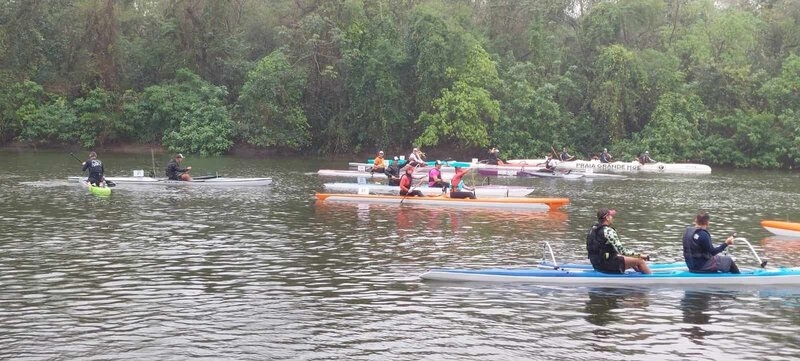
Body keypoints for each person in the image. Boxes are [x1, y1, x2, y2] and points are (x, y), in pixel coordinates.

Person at [586, 208, 652, 274]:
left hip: (596, 264)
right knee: (640, 260)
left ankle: (640, 275)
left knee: (631, 257)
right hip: (606, 265)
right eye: (611, 216)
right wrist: (641, 255)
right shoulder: (608, 231)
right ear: (607, 218)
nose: (612, 218)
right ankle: (650, 279)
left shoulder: (593, 229)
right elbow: (622, 251)